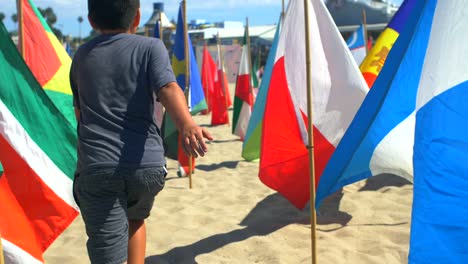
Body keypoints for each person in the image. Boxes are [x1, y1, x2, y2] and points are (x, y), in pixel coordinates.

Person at [70, 0, 213, 263]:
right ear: (137, 17)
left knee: (107, 248)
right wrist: (187, 124)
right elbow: (168, 89)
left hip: (100, 168)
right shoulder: (151, 47)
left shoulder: (81, 57)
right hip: (146, 167)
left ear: (90, 20)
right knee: (135, 218)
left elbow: (81, 115)